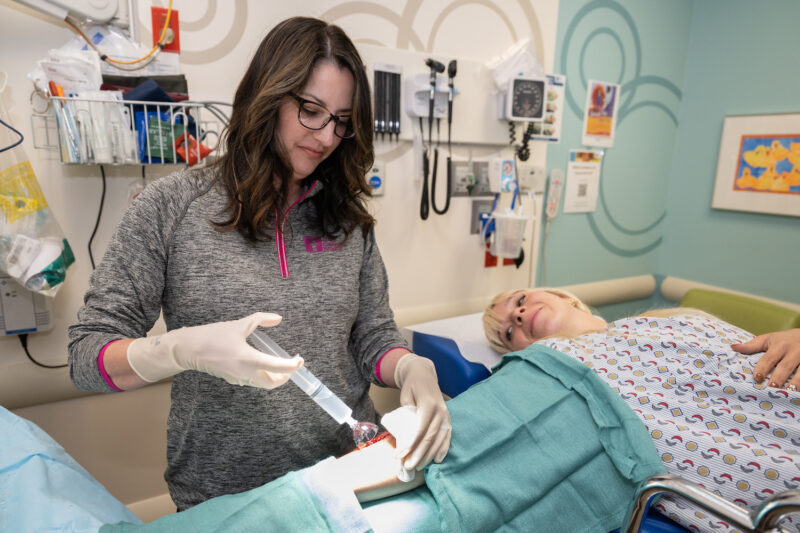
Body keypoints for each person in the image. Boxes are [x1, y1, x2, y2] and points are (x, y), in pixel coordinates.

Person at [67, 16, 450, 511]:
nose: (327, 136)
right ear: (267, 96)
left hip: (349, 481)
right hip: (226, 501)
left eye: (341, 120)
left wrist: (407, 366)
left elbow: (370, 336)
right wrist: (177, 350)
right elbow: (86, 356)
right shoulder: (170, 207)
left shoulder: (348, 222)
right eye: (311, 110)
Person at [483, 287, 800, 533]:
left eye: (520, 299)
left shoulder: (681, 318)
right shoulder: (562, 382)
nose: (519, 315)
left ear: (562, 296)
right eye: (509, 333)